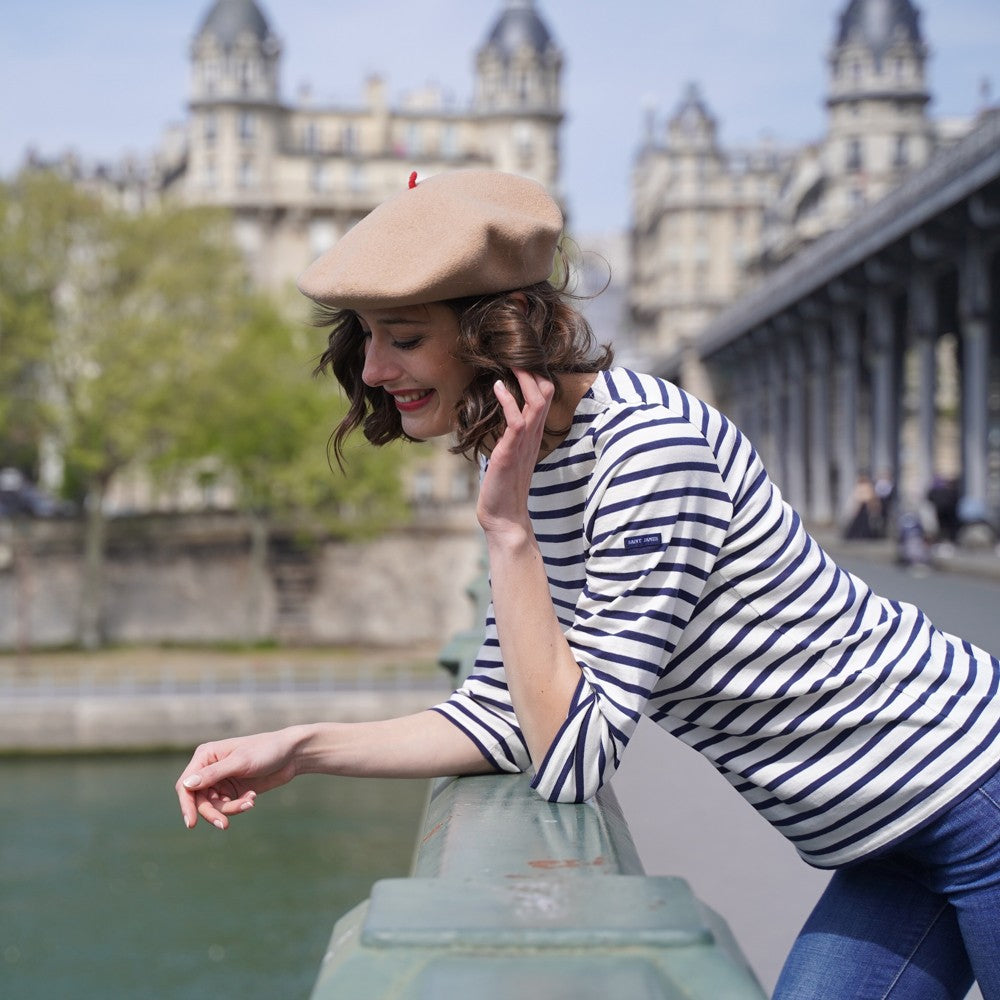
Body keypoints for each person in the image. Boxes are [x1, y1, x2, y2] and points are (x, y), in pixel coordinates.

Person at [175, 170, 1000, 999]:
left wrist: (507, 533)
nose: (377, 368)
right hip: (887, 839)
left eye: (404, 336)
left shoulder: (648, 450)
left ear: (492, 333)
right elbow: (508, 713)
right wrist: (299, 748)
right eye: (366, 337)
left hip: (972, 792)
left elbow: (571, 754)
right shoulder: (536, 460)